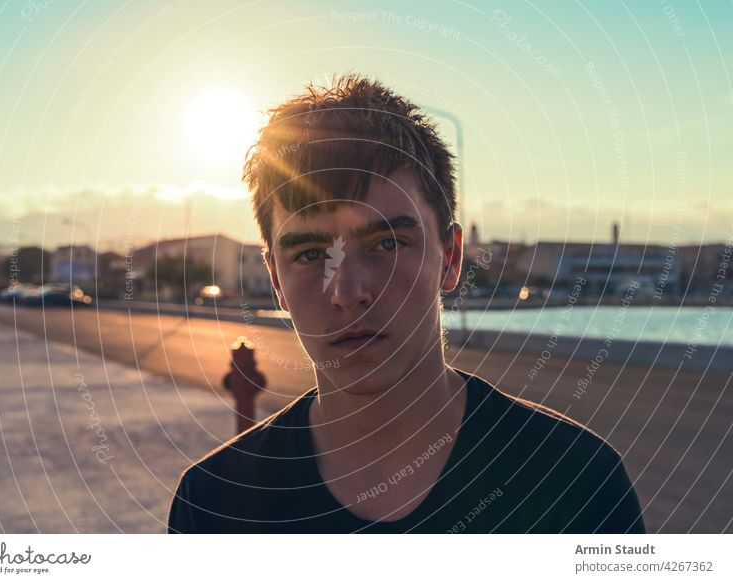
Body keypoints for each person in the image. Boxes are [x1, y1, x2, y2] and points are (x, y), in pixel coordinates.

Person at [167, 74, 645, 533]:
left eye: (388, 244)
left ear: (450, 258)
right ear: (275, 278)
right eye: (311, 255)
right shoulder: (213, 506)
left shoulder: (575, 482)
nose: (348, 292)